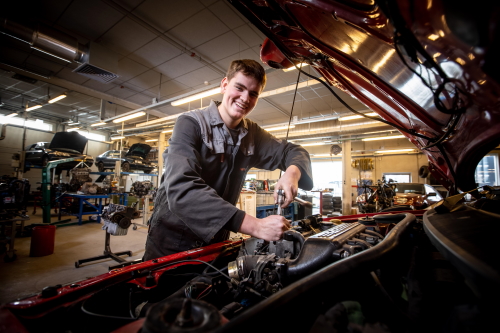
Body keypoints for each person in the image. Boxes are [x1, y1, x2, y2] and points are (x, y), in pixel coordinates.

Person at [143, 59, 313, 260]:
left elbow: (295, 151)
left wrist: (291, 173)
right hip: (172, 243)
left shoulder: (252, 134)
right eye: (239, 88)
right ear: (224, 85)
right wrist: (255, 225)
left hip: (217, 240)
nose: (244, 98)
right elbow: (182, 188)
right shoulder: (190, 124)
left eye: (253, 94)